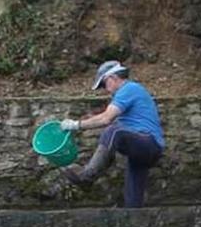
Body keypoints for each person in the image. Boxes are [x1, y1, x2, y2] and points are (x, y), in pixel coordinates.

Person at [59, 60, 165, 208]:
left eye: (104, 84)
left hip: (148, 143)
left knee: (113, 130)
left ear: (113, 78)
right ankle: (133, 222)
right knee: (133, 200)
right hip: (144, 149)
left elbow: (106, 118)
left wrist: (76, 125)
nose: (105, 89)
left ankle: (88, 176)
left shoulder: (128, 89)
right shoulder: (129, 92)